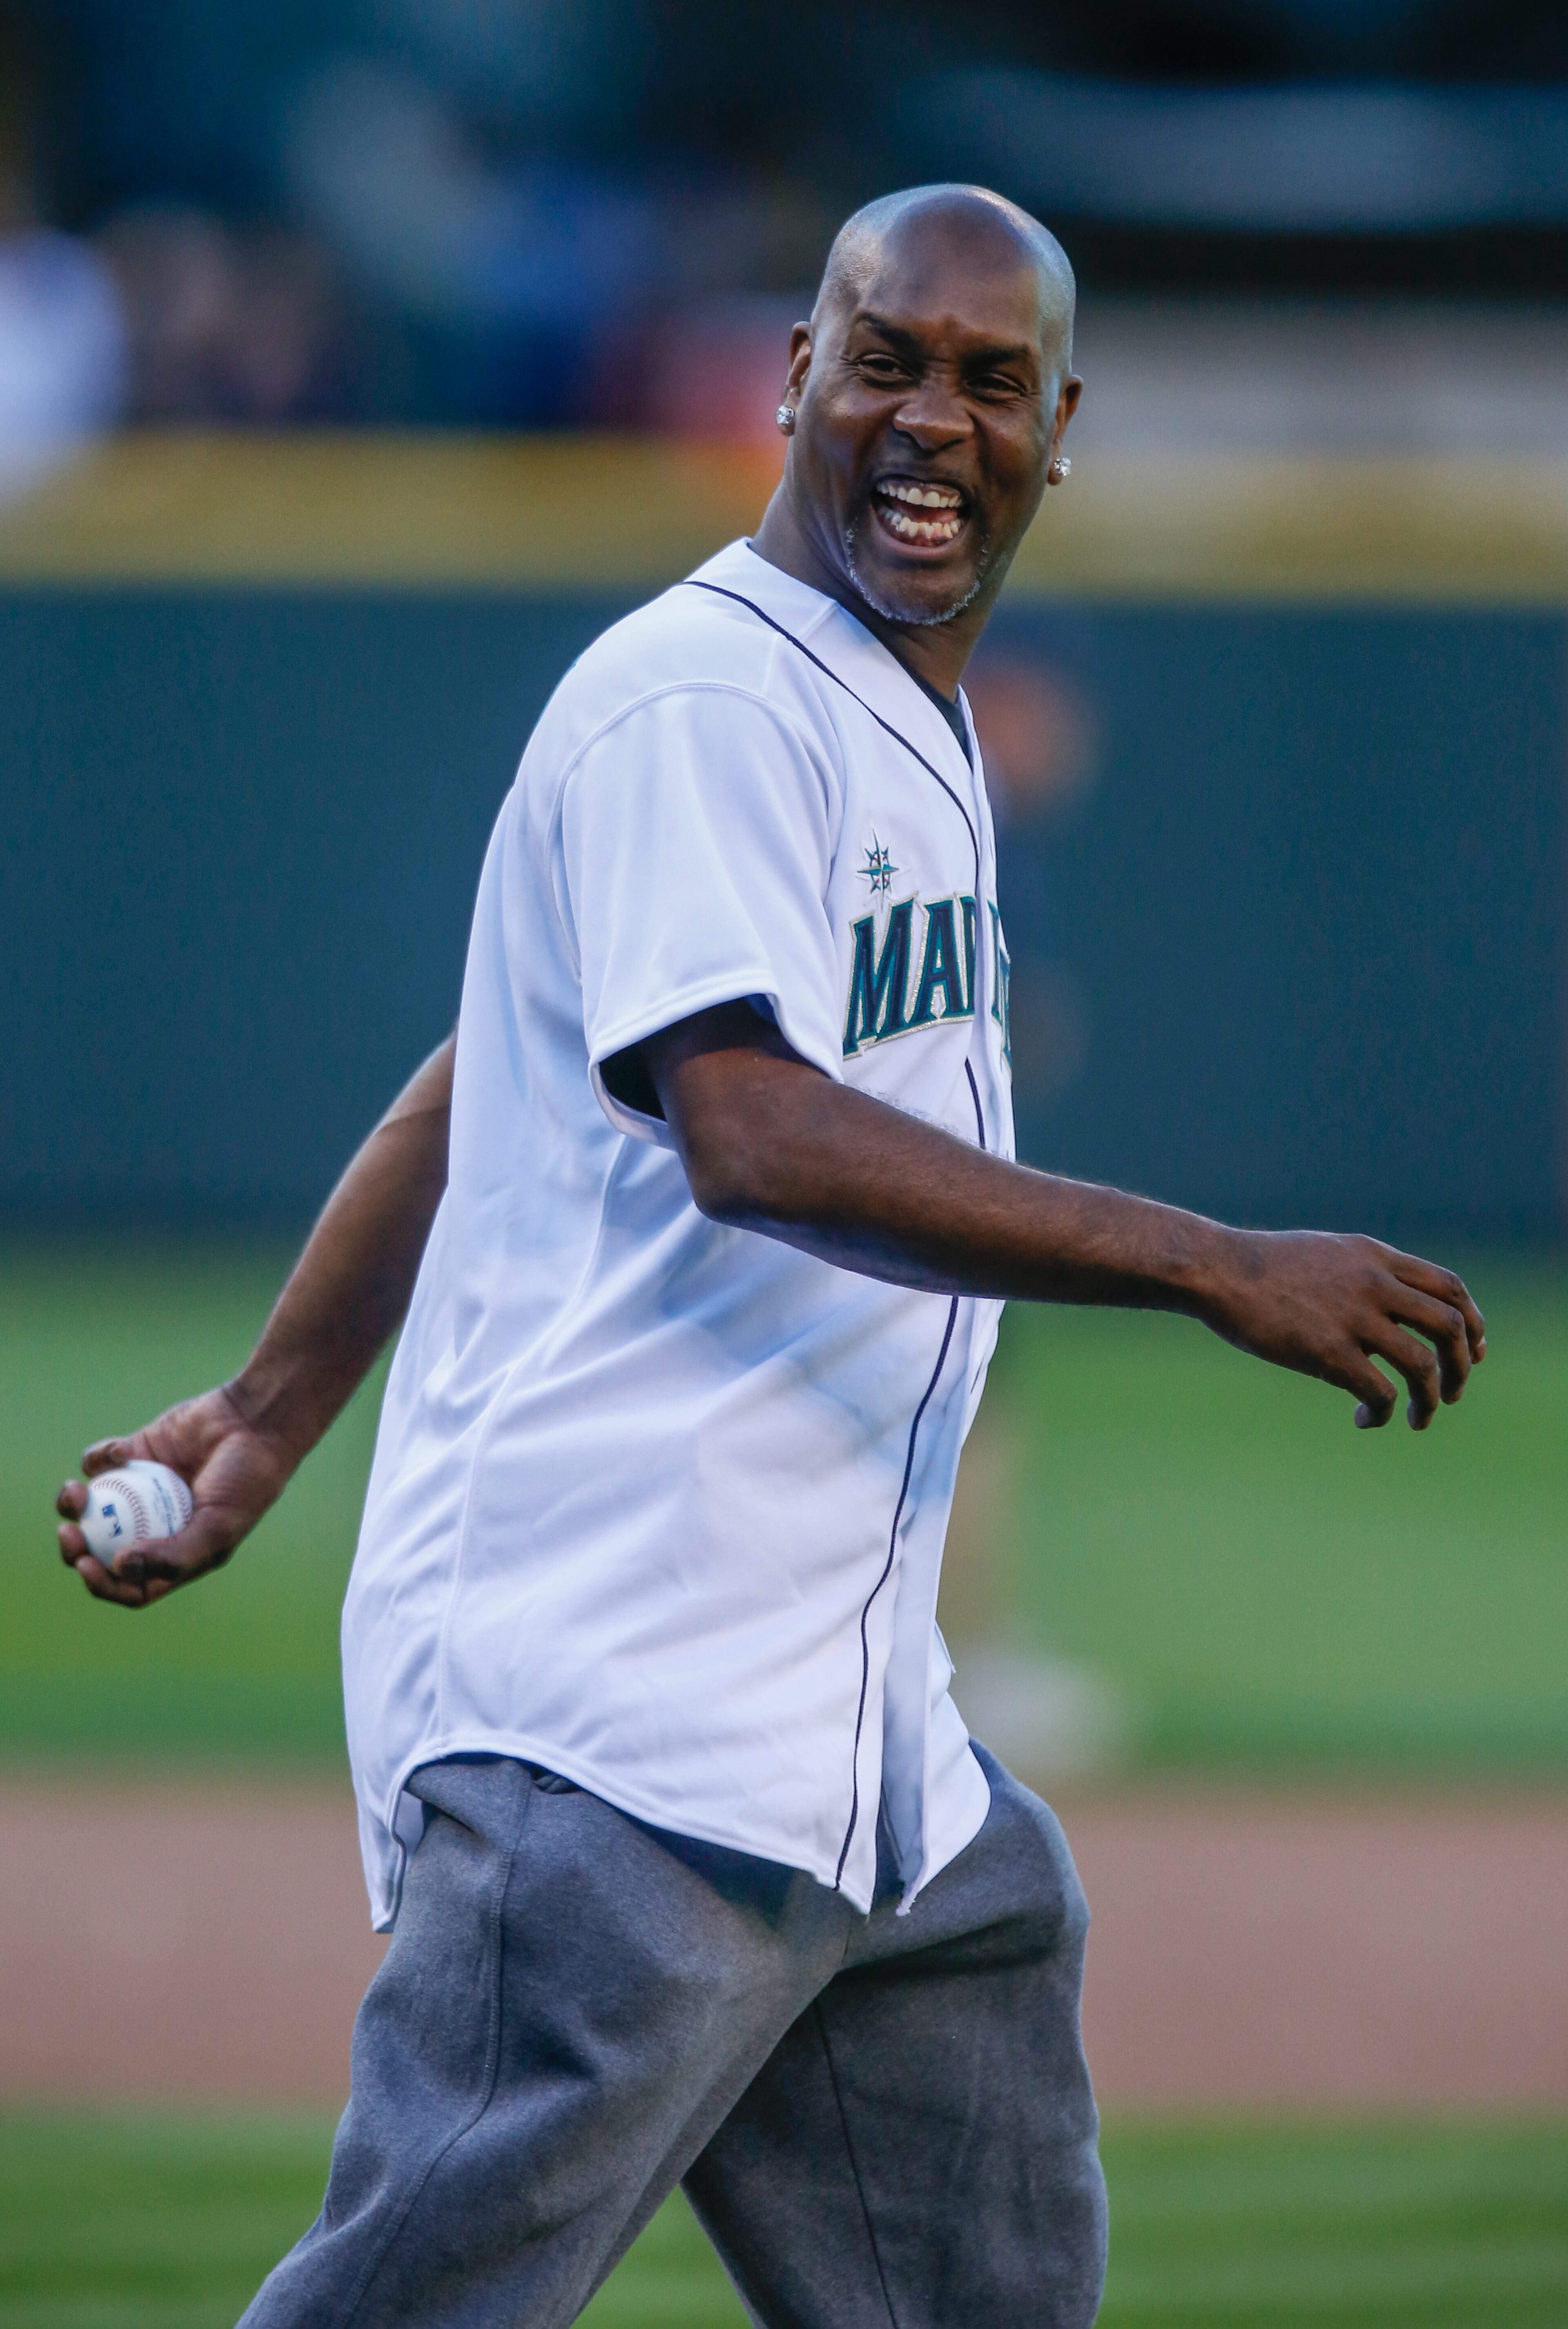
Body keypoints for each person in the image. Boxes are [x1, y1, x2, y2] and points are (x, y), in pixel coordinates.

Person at [56, 184, 1484, 2329]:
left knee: (987, 2176)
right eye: (885, 358)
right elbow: (747, 1127)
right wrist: (1211, 1262)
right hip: (622, 1718)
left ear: (1059, 425)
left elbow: (481, 1072)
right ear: (799, 380)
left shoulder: (889, 712)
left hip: (857, 1745)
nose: (933, 419)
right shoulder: (707, 698)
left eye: (989, 379)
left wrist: (266, 1418)